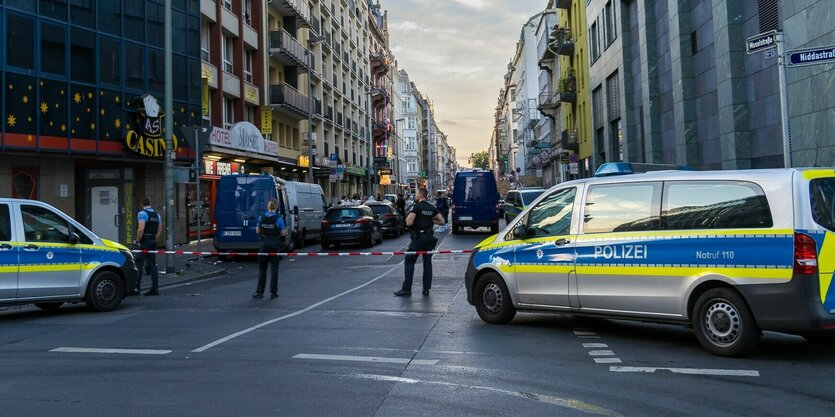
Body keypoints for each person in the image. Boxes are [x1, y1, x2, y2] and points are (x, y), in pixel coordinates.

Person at [394, 188, 445, 297]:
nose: (416, 196)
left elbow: (408, 222)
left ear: (420, 195)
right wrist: (430, 220)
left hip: (419, 238)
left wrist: (416, 219)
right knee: (427, 263)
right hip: (429, 237)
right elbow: (442, 221)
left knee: (409, 261)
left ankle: (407, 289)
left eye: (417, 194)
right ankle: (426, 289)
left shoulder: (417, 207)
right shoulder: (432, 207)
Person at [253, 198, 286, 299]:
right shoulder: (279, 218)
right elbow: (283, 233)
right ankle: (273, 292)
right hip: (275, 245)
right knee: (274, 269)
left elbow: (258, 231)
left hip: (264, 244)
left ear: (268, 206)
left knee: (262, 269)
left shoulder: (261, 217)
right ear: (276, 207)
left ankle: (259, 292)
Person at [134, 197, 162, 296]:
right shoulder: (157, 215)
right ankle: (155, 289)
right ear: (150, 203)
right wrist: (155, 239)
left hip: (144, 241)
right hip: (152, 241)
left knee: (139, 264)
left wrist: (138, 241)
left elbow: (141, 228)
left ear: (142, 204)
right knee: (153, 264)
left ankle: (136, 288)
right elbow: (160, 229)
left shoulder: (142, 214)